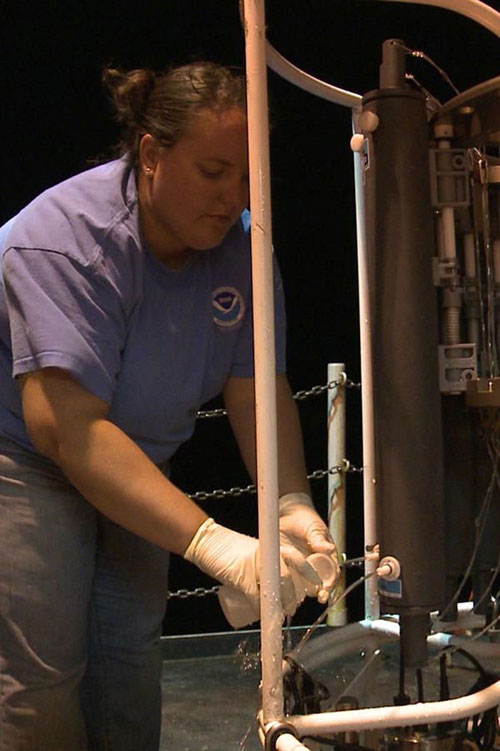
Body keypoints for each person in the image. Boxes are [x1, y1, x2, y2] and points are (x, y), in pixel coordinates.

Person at [0, 62, 339, 751]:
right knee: (42, 677)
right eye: (213, 171)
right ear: (151, 155)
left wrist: (291, 505)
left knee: (129, 663)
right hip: (27, 459)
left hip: (140, 456)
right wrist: (216, 544)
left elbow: (256, 384)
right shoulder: (64, 239)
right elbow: (68, 429)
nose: (232, 197)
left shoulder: (243, 246)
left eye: (246, 176)